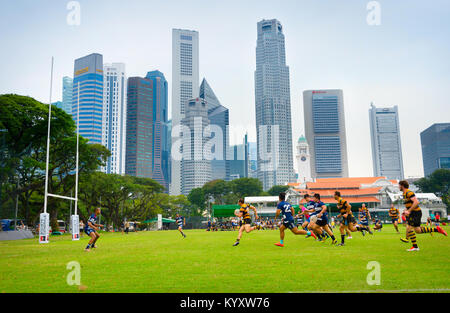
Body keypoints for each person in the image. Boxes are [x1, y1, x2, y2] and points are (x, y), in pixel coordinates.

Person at [398, 180, 447, 251]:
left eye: (399, 185)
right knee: (417, 230)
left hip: (415, 213)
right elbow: (410, 204)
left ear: (402, 185)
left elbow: (416, 202)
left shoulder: (409, 192)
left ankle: (414, 246)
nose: (398, 187)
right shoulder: (404, 194)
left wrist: (409, 211)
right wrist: (405, 210)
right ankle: (437, 229)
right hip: (412, 213)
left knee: (410, 228)